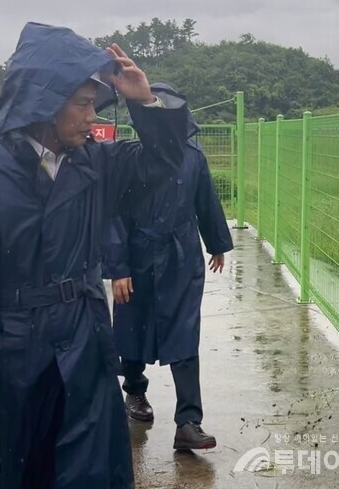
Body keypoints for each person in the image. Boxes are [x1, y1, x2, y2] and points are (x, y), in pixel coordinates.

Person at [0, 23, 188, 489]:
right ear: (43, 104)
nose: (92, 116)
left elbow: (163, 162)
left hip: (83, 345)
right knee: (11, 473)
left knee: (87, 470)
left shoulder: (94, 164)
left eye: (94, 103)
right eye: (82, 103)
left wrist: (145, 102)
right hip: (8, 358)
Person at [106, 87, 233, 450]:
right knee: (132, 326)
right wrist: (118, 266)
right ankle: (134, 391)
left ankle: (188, 421)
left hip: (181, 257)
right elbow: (112, 214)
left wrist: (217, 243)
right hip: (137, 255)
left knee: (185, 332)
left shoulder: (194, 155)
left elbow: (205, 199)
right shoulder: (129, 157)